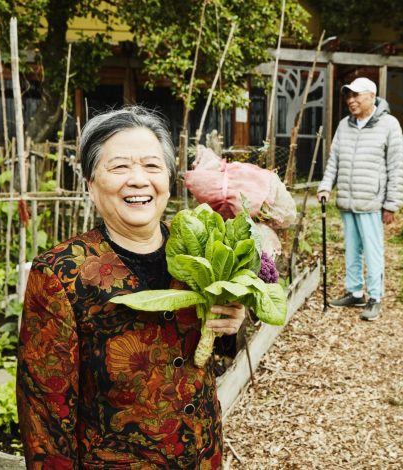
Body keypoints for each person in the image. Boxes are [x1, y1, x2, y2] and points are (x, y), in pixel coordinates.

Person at [16, 107, 246, 469]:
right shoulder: (61, 273)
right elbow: (44, 415)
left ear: (169, 181)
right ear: (91, 183)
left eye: (153, 166)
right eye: (120, 166)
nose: (139, 179)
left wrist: (232, 323)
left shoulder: (198, 251)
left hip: (203, 457)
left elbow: (221, 348)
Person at [317, 76, 403, 321]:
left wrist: (391, 204)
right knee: (352, 249)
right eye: (348, 96)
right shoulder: (344, 125)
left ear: (371, 96)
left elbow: (397, 166)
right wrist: (326, 186)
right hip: (347, 199)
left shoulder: (389, 125)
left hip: (371, 201)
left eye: (356, 95)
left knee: (373, 251)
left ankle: (375, 297)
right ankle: (355, 292)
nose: (351, 100)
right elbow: (334, 160)